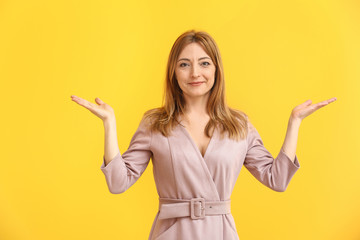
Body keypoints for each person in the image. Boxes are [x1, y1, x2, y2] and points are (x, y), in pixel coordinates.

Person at [71, 29, 336, 240]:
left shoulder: (239, 125)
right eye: (184, 64)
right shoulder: (155, 123)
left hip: (221, 233)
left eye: (204, 63)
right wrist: (109, 123)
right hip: (171, 234)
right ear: (174, 73)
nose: (195, 73)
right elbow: (118, 183)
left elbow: (276, 179)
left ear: (216, 70)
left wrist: (294, 122)